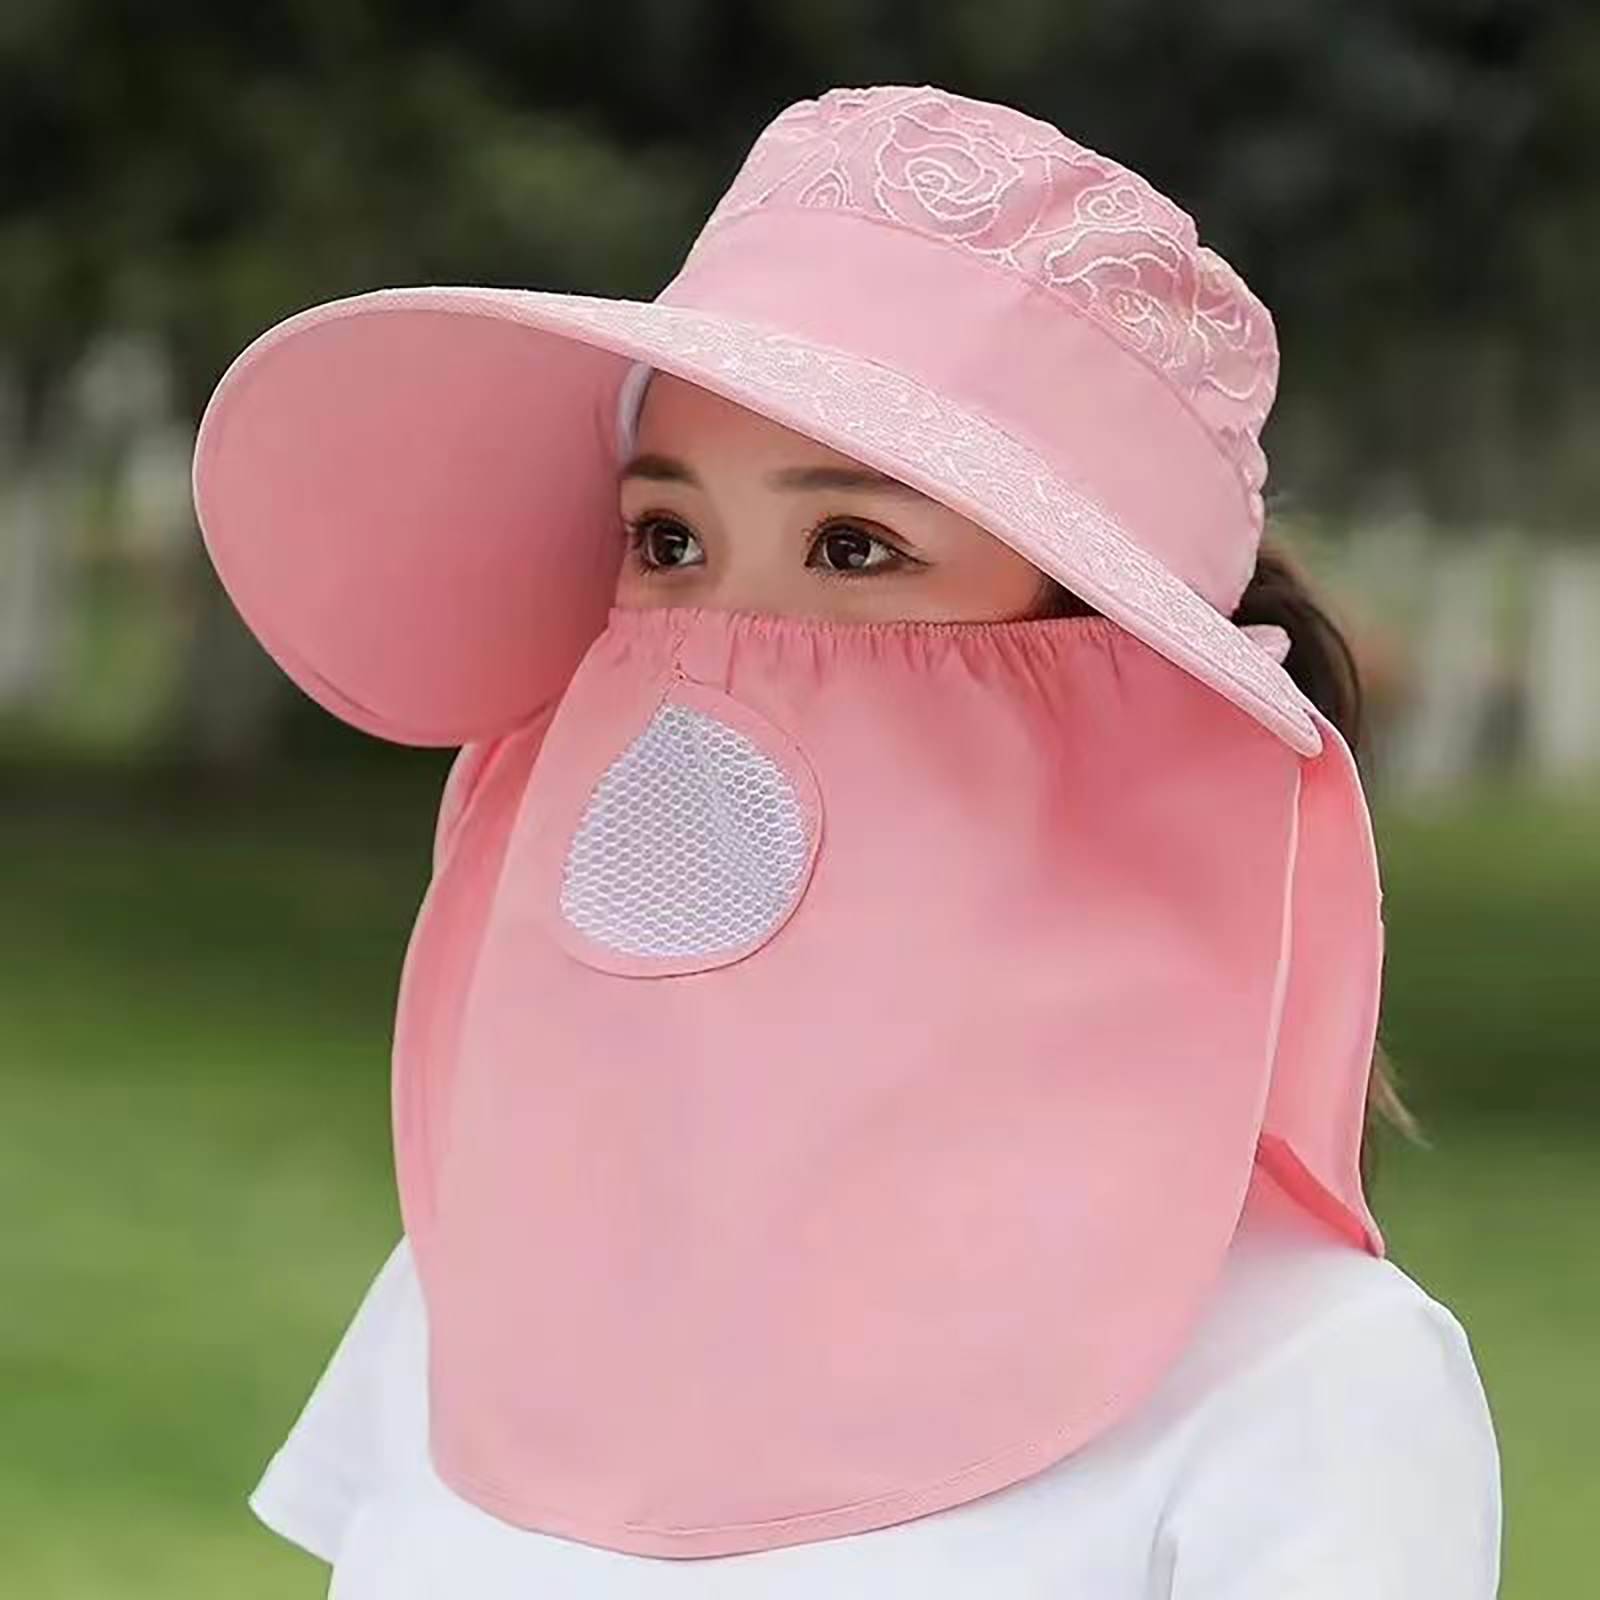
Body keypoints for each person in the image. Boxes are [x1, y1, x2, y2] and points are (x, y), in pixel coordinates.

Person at [191, 84, 1502, 1597]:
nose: (719, 650)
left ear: (1115, 675)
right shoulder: (489, 1280)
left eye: (857, 546)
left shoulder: (1304, 1384)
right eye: (667, 540)